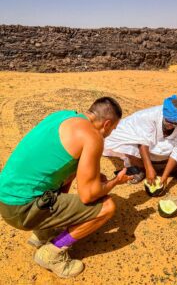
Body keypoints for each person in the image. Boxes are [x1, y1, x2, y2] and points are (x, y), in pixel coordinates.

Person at [0, 97, 132, 278]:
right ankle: (52, 253)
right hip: (20, 210)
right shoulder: (93, 137)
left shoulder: (63, 116)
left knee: (69, 170)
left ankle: (42, 231)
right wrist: (116, 181)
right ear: (107, 123)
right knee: (107, 207)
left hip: (6, 197)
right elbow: (88, 196)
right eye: (113, 128)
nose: (111, 132)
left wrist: (93, 178)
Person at [103, 95, 177, 187]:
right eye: (168, 121)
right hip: (143, 138)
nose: (171, 125)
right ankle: (141, 169)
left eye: (175, 123)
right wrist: (148, 169)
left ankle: (173, 170)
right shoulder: (149, 116)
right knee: (128, 143)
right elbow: (143, 142)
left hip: (166, 141)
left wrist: (165, 176)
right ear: (164, 114)